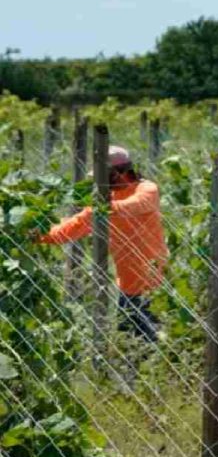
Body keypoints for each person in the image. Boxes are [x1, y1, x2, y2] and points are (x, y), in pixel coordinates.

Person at [40, 146, 168, 343]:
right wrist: (37, 235)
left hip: (154, 281)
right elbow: (69, 229)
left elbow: (136, 205)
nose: (98, 182)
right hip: (127, 283)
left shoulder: (146, 189)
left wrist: (102, 208)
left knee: (151, 338)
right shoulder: (102, 203)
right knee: (133, 339)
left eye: (103, 176)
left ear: (118, 173)